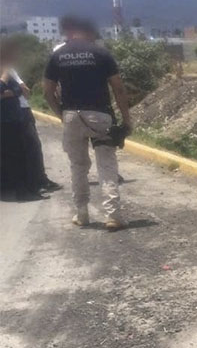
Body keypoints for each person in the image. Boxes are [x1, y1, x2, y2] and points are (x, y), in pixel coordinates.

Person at [42, 16, 133, 230]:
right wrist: (127, 119)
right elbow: (118, 89)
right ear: (90, 32)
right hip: (100, 116)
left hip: (72, 116)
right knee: (107, 165)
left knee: (78, 166)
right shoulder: (101, 53)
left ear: (71, 32)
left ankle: (82, 214)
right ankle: (113, 216)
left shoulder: (58, 55)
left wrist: (61, 115)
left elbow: (47, 92)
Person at [1, 38, 48, 201]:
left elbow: (20, 90)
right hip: (6, 120)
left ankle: (27, 187)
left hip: (14, 117)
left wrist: (9, 91)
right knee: (15, 155)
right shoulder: (5, 71)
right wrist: (4, 80)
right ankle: (23, 191)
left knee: (21, 153)